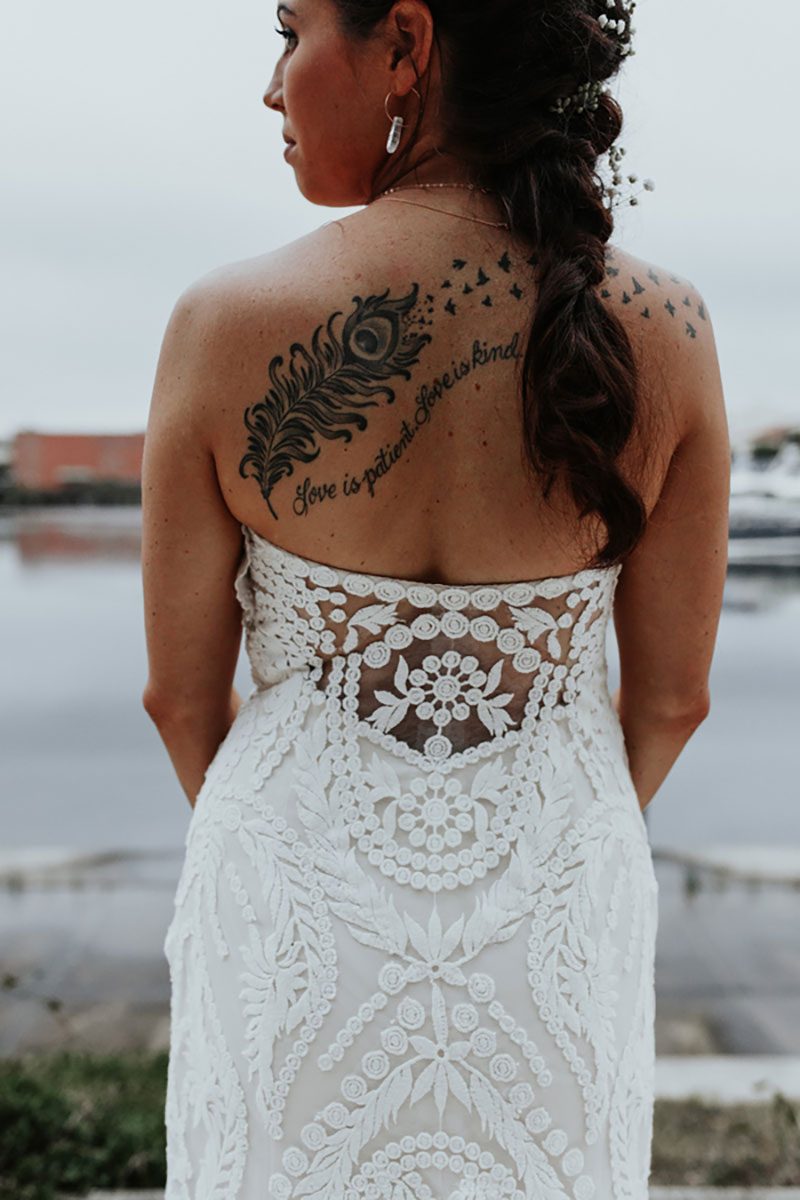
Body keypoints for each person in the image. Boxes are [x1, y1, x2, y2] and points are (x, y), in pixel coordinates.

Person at [141, 0, 729, 1196]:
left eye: (289, 31)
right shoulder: (665, 328)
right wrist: (539, 840)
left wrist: (305, 850)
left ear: (404, 44)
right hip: (554, 909)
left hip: (286, 916)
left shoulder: (222, 323)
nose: (272, 86)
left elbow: (180, 700)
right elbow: (672, 702)